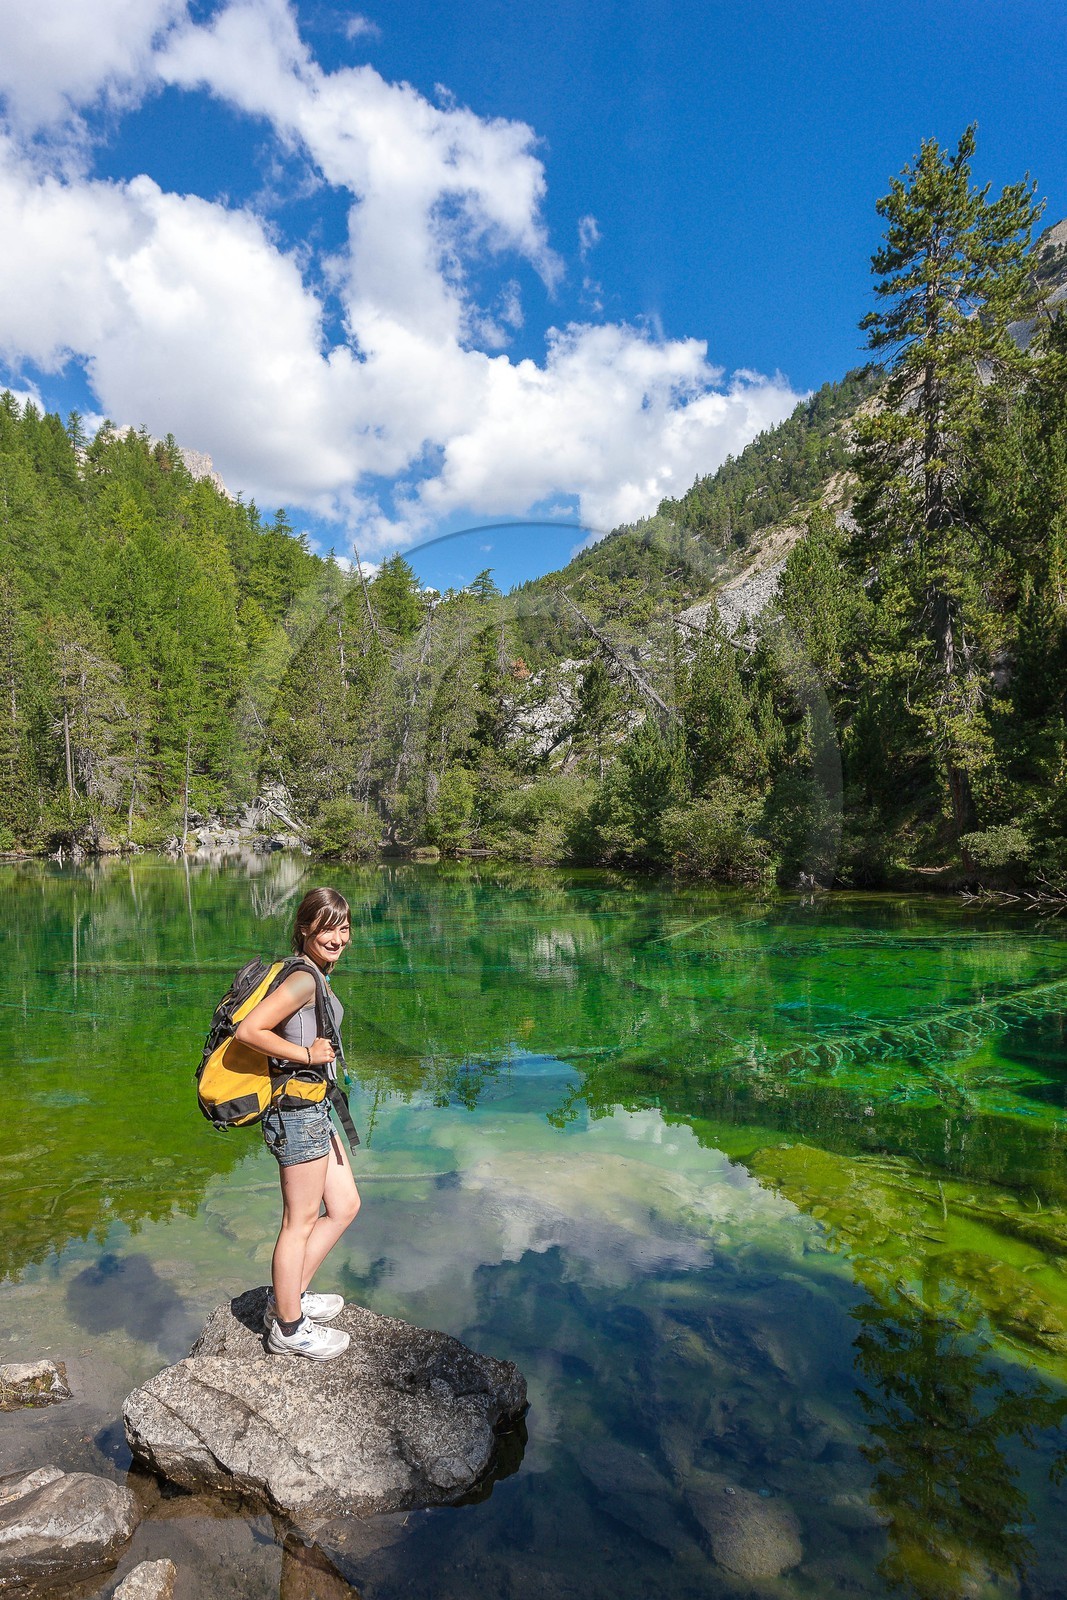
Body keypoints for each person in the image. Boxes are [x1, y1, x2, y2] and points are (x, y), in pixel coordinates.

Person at [235, 886, 360, 1360]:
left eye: (344, 927)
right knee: (300, 1221)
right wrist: (306, 1054)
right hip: (296, 1112)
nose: (338, 937)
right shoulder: (303, 978)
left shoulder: (313, 975)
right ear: (306, 927)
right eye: (328, 926)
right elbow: (251, 1031)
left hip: (316, 1106)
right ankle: (288, 1327)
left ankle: (287, 1296)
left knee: (345, 1204)